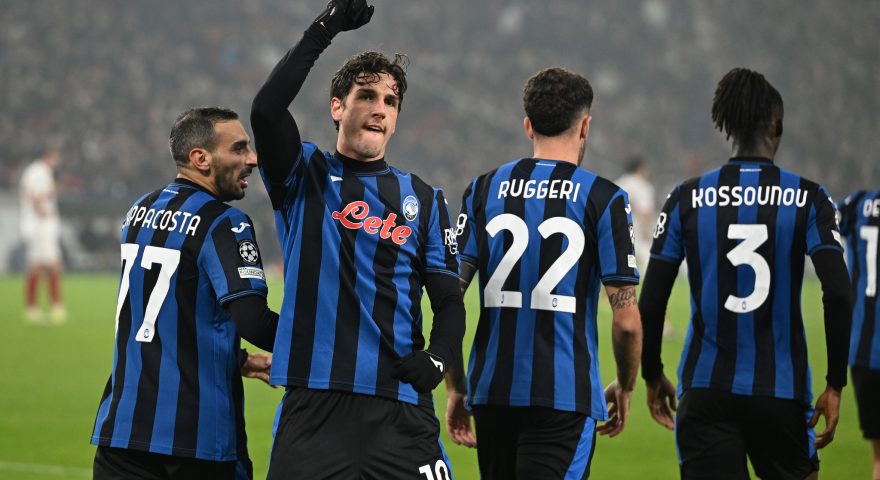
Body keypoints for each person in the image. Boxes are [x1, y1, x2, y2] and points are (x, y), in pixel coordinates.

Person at [250, 1, 466, 478]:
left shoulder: (425, 200)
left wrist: (439, 356)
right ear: (337, 107)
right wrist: (326, 28)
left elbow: (449, 300)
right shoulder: (303, 174)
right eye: (366, 96)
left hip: (402, 409)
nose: (379, 109)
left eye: (390, 103)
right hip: (315, 407)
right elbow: (266, 110)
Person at [639, 68, 852, 479]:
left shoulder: (686, 197)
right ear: (777, 125)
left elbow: (652, 300)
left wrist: (652, 373)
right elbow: (839, 293)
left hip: (705, 389)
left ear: (726, 125)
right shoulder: (808, 197)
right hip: (781, 390)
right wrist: (835, 383)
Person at [452, 67, 643, 479]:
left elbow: (449, 297)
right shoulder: (605, 197)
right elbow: (627, 323)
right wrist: (626, 385)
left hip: (491, 393)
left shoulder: (482, 190)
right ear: (585, 124)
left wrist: (455, 385)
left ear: (528, 125)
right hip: (564, 398)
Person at [90, 107, 280, 480]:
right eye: (239, 149)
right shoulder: (225, 222)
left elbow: (163, 312)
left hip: (121, 433)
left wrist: (236, 359)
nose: (252, 160)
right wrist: (331, 345)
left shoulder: (139, 211)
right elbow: (255, 321)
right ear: (201, 158)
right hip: (197, 442)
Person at [837, 189, 880, 480]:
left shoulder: (857, 205)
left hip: (866, 352)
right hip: (864, 351)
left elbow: (823, 220)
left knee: (879, 456)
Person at [19, 147, 66, 324]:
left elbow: (41, 194)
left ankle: (37, 307)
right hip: (39, 225)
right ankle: (52, 306)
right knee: (47, 265)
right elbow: (31, 193)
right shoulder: (37, 171)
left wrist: (53, 191)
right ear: (49, 156)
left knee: (42, 265)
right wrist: (42, 210)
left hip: (42, 224)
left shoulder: (41, 172)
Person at [615, 156, 656, 273]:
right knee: (645, 256)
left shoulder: (619, 183)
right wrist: (647, 230)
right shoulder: (642, 185)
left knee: (620, 259)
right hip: (635, 225)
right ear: (640, 169)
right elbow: (645, 211)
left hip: (616, 225)